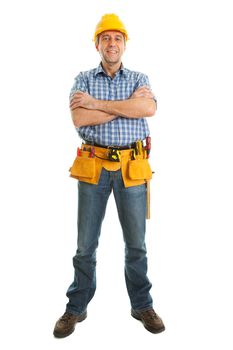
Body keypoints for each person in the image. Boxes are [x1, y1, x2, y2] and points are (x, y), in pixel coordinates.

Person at [53, 13, 165, 338]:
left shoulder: (139, 77)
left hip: (132, 167)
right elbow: (78, 117)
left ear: (124, 43)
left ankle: (141, 304)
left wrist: (97, 105)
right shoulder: (82, 78)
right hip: (94, 165)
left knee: (137, 246)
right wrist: (120, 106)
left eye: (117, 38)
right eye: (106, 38)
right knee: (85, 246)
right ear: (97, 44)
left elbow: (147, 109)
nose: (112, 43)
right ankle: (76, 307)